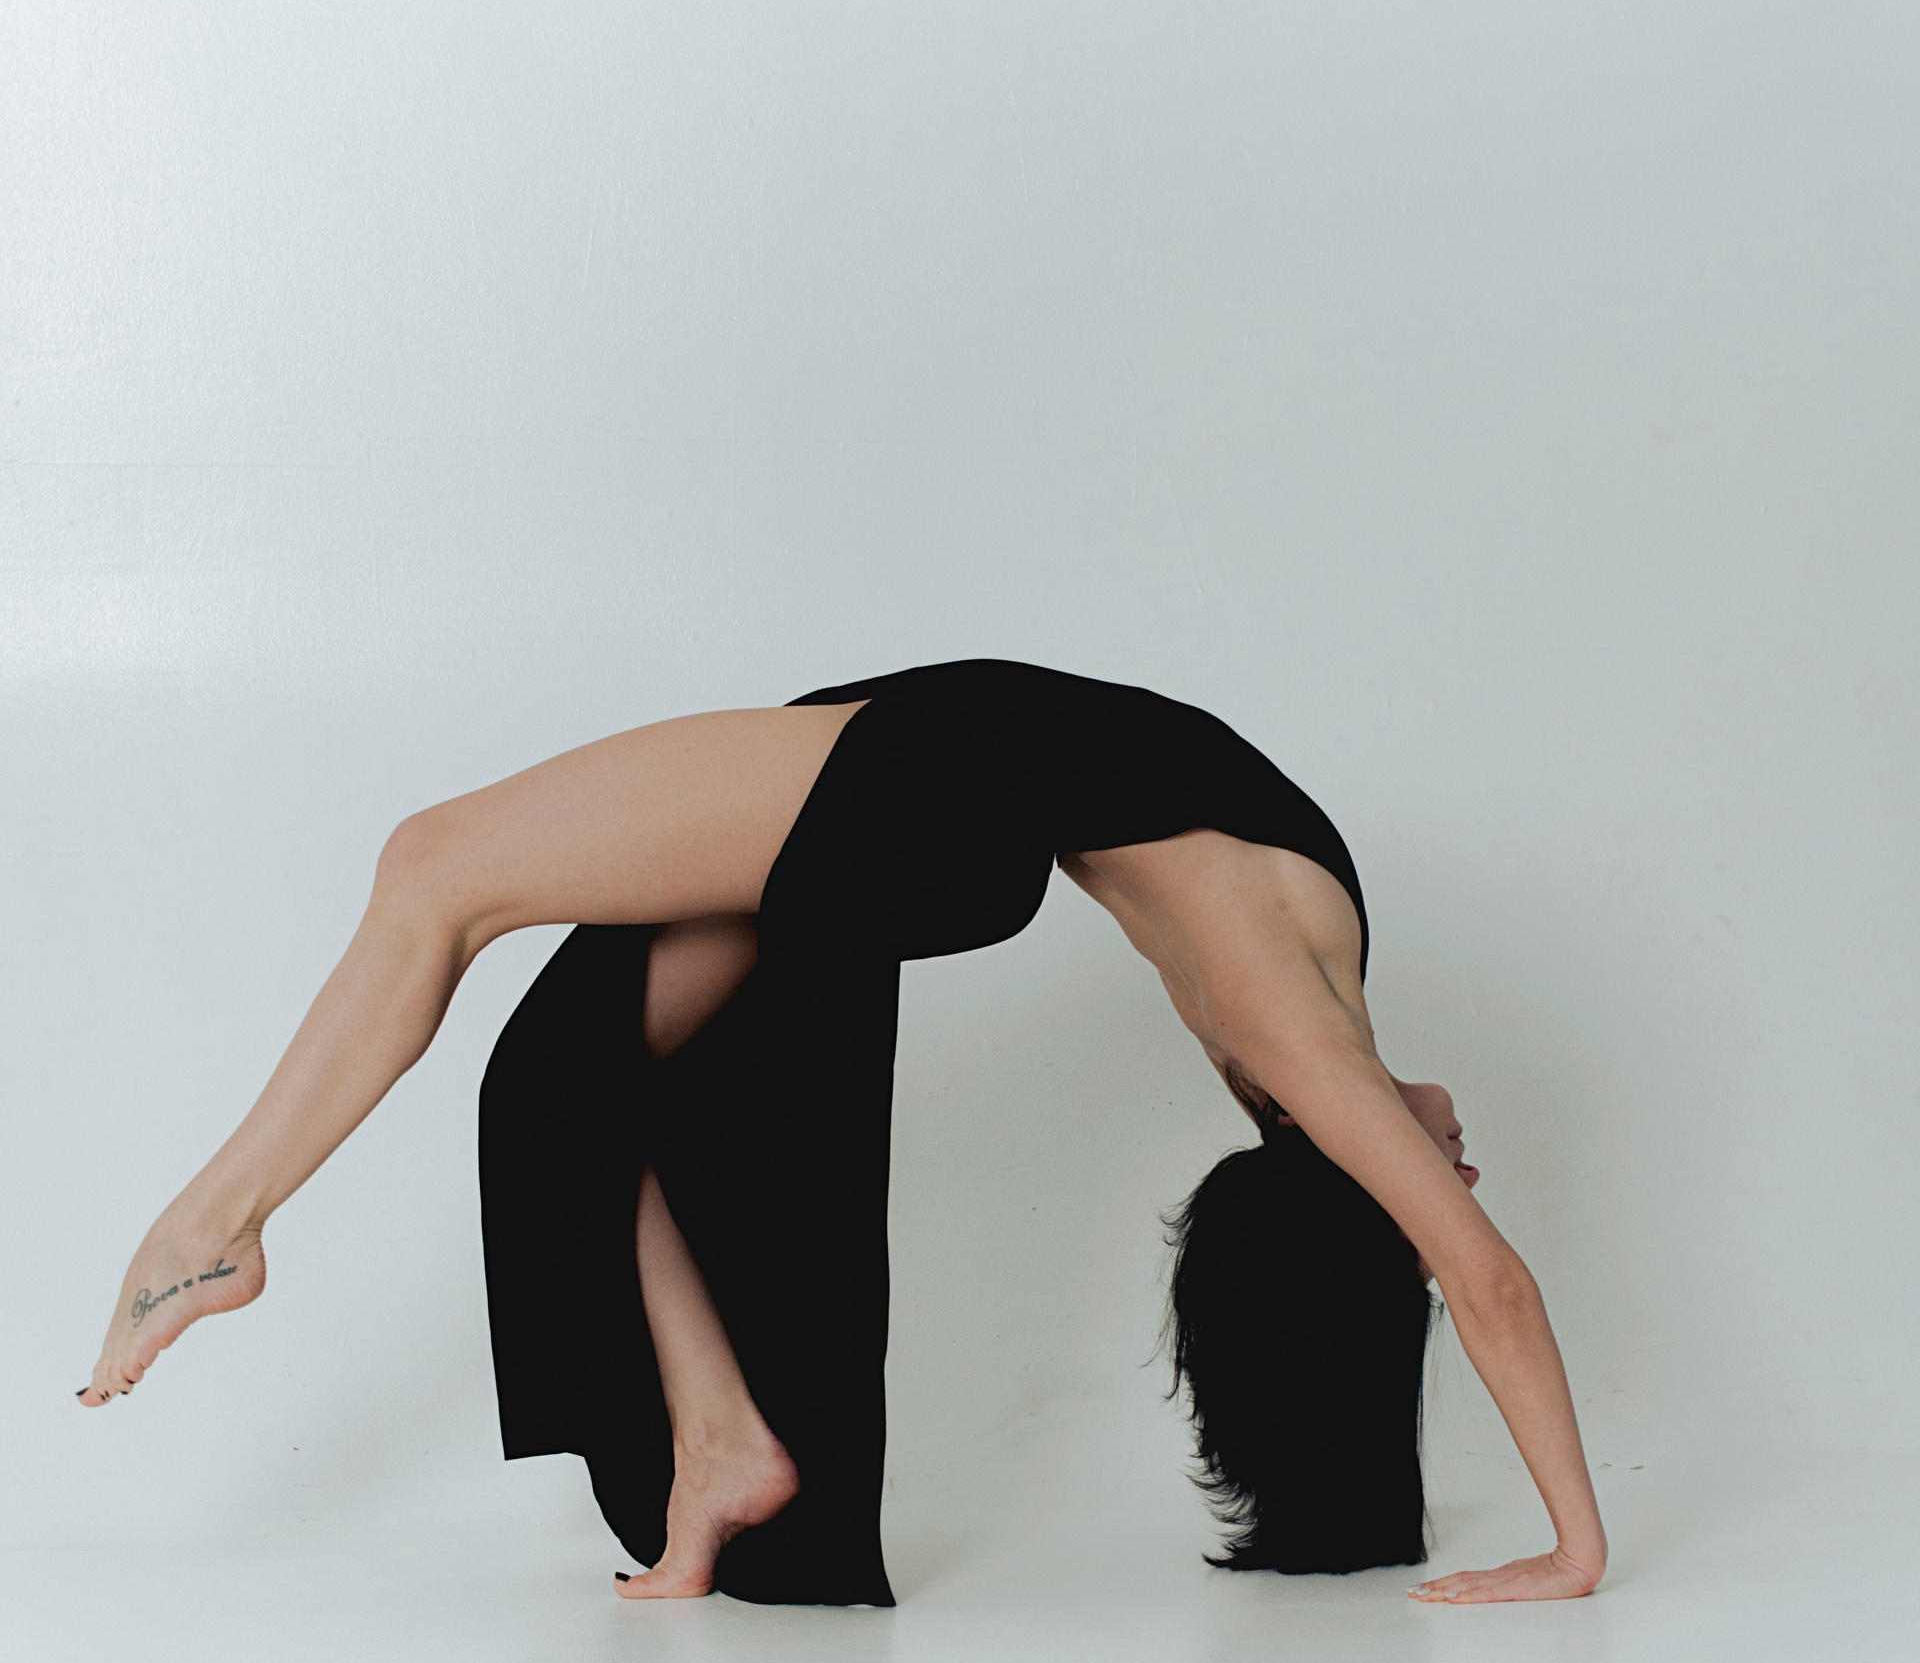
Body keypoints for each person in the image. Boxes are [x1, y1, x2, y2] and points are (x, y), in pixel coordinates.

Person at [80, 658, 1607, 1613]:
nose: (1460, 1161)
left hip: (935, 786)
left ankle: (212, 1229)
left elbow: (1489, 1283)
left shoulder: (1292, 1031)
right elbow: (1371, 1178)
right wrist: (1387, 1159)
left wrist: (1574, 1545)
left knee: (436, 866)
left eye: (1427, 1181)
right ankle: (722, 1442)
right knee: (561, 1078)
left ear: (1354, 1183)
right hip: (933, 787)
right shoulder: (1304, 1037)